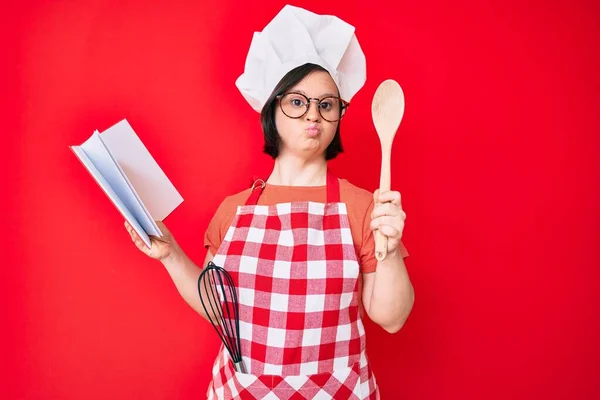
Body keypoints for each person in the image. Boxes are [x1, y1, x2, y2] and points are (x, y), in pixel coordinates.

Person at [125, 5, 414, 399]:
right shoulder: (234, 209)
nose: (313, 115)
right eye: (297, 102)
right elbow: (218, 309)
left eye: (327, 105)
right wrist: (171, 254)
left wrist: (391, 249)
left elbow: (391, 318)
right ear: (270, 109)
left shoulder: (364, 206)